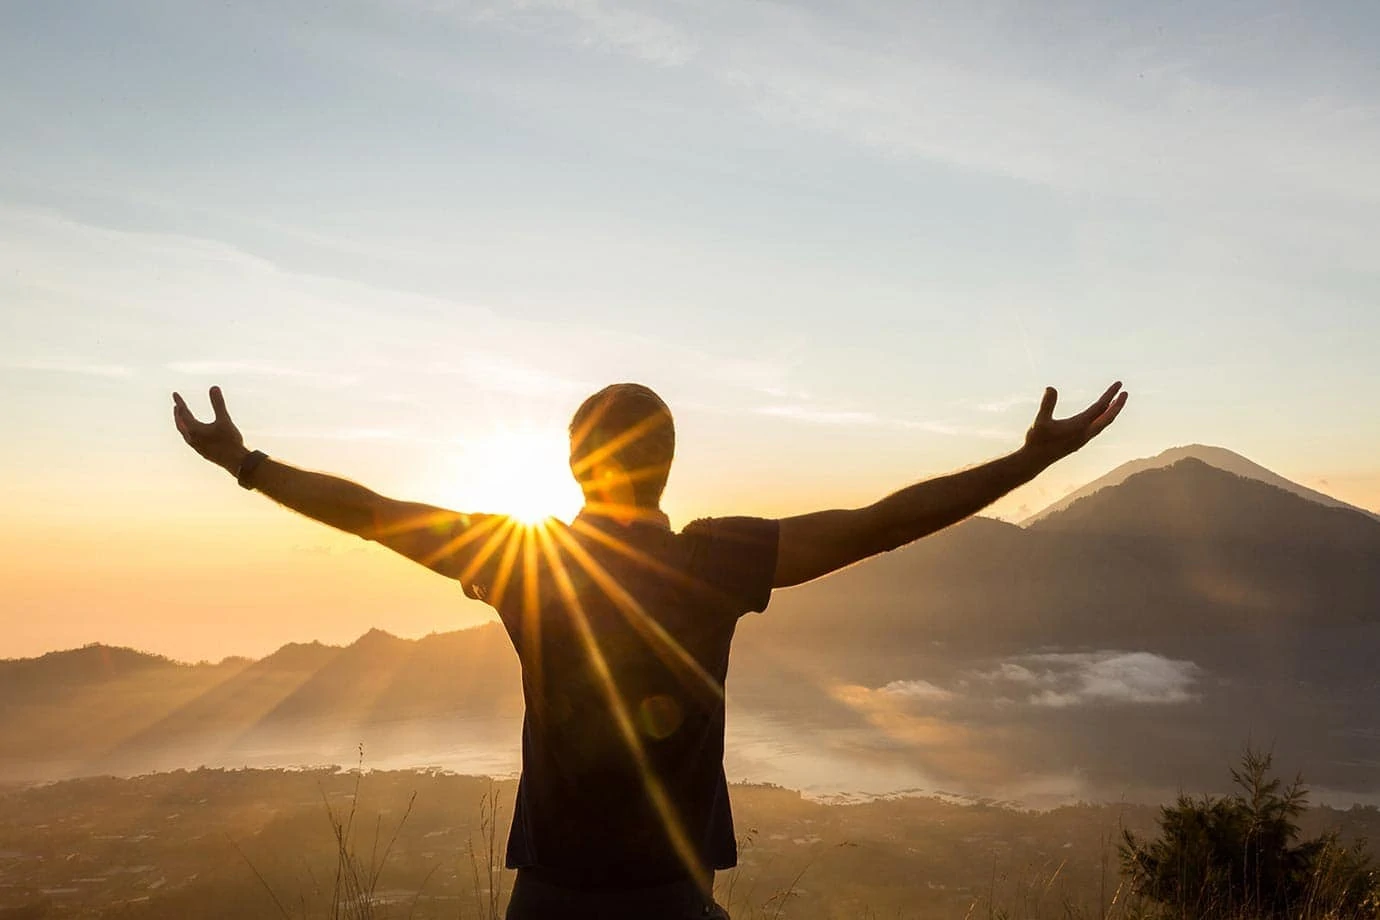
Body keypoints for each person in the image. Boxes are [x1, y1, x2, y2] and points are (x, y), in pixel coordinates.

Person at [172, 379, 1127, 919]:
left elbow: (378, 516)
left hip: (548, 902)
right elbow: (878, 523)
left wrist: (248, 466)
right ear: (666, 466)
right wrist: (1027, 461)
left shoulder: (525, 560)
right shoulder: (713, 560)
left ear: (575, 467)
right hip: (673, 900)